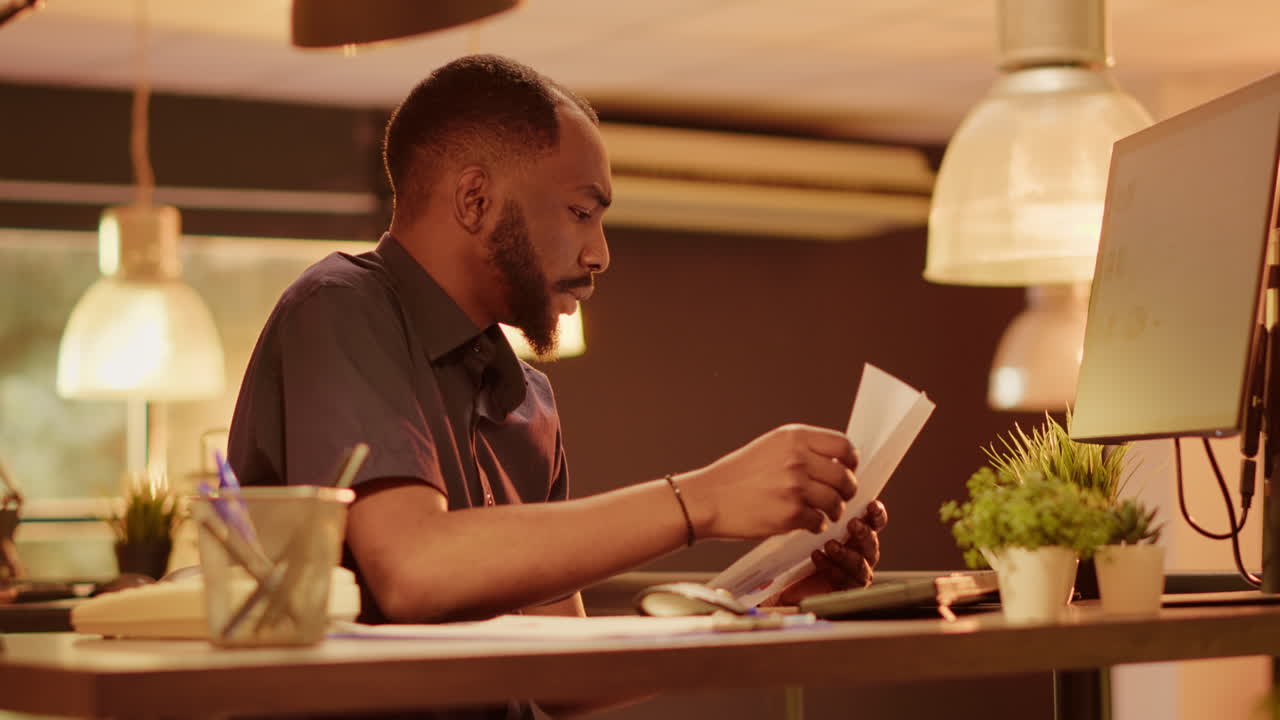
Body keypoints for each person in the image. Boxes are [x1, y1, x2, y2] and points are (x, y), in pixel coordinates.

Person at [227, 54, 886, 717]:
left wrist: (761, 611)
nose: (600, 253)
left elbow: (561, 671)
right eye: (580, 211)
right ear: (475, 199)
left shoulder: (528, 398)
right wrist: (706, 499)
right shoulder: (339, 306)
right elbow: (413, 572)